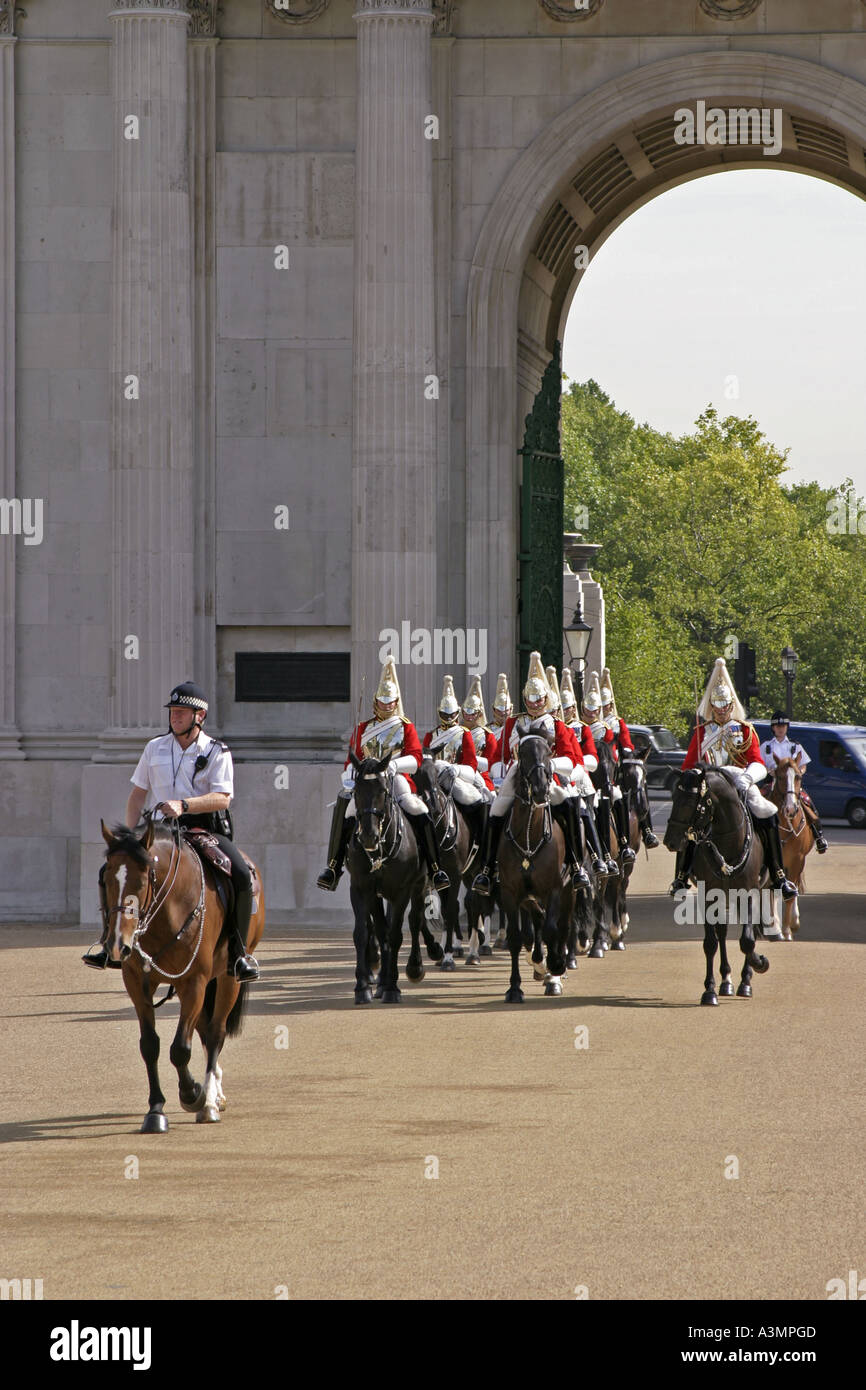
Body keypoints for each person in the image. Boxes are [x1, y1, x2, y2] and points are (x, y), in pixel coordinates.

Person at [83, 681, 260, 981]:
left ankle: (239, 954)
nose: (174, 717)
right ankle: (108, 941)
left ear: (199, 716)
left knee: (242, 874)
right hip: (159, 831)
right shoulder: (154, 747)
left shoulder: (218, 751)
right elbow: (138, 794)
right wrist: (130, 836)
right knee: (108, 871)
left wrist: (185, 805)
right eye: (173, 712)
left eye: (181, 712)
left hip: (202, 829)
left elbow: (223, 798)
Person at [317, 657, 449, 892]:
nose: (387, 706)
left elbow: (417, 758)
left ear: (396, 702)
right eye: (382, 702)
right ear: (375, 702)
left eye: (391, 703)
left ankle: (435, 867)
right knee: (345, 806)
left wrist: (395, 767)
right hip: (367, 781)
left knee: (419, 809)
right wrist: (349, 774)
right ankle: (334, 866)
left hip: (395, 778)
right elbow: (352, 758)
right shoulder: (362, 728)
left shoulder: (405, 726)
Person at [671, 658, 797, 900]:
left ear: (731, 706)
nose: (721, 710)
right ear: (711, 706)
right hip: (708, 786)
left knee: (768, 813)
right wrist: (695, 777)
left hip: (739, 782)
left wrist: (747, 777)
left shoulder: (745, 730)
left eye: (725, 705)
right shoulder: (701, 732)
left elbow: (758, 762)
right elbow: (688, 766)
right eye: (716, 706)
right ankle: (680, 876)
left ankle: (779, 875)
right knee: (688, 820)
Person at [472, 651, 590, 895]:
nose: (535, 703)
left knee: (569, 807)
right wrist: (500, 769)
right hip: (518, 775)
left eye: (539, 699)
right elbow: (498, 756)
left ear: (546, 698)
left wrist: (552, 767)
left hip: (549, 777)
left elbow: (571, 758)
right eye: (531, 698)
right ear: (524, 698)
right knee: (495, 811)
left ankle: (577, 866)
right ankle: (486, 870)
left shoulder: (557, 725)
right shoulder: (513, 723)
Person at [560, 666, 618, 877]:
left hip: (581, 775)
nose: (565, 712)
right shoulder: (554, 727)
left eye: (568, 708)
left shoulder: (584, 728)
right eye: (562, 708)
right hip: (554, 778)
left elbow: (595, 756)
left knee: (588, 808)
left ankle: (600, 855)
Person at [422, 674, 489, 850]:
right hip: (434, 778)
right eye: (444, 714)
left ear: (457, 713)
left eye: (451, 714)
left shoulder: (464, 733)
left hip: (456, 777)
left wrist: (456, 770)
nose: (448, 716)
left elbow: (471, 764)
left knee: (477, 801)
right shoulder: (431, 735)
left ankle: (481, 843)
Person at [599, 667, 659, 851]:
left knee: (638, 779)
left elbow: (626, 743)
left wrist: (624, 753)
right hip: (600, 766)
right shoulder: (590, 724)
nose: (604, 708)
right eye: (600, 706)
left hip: (618, 765)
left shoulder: (617, 722)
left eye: (606, 705)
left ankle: (647, 828)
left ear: (610, 705)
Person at [761, 712, 828, 852]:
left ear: (787, 727)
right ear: (773, 728)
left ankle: (819, 836)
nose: (780, 729)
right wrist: (768, 770)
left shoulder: (795, 746)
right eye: (777, 726)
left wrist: (800, 772)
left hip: (792, 784)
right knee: (756, 803)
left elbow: (803, 764)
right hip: (772, 782)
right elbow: (759, 763)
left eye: (783, 726)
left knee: (808, 803)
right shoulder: (766, 746)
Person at [488, 673, 513, 789]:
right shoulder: (486, 730)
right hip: (490, 768)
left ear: (511, 709)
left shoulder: (516, 728)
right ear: (493, 709)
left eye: (506, 710)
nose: (503, 713)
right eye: (499, 711)